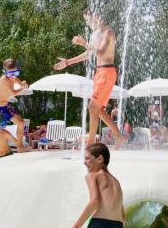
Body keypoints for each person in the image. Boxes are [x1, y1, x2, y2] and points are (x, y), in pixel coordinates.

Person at [53, 12, 124, 147]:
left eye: (88, 20)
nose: (87, 23)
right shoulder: (95, 34)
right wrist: (67, 62)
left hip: (107, 72)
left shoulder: (108, 32)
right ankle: (119, 136)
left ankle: (90, 144)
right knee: (98, 110)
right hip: (99, 73)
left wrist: (84, 42)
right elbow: (88, 53)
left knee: (92, 107)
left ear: (96, 17)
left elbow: (101, 52)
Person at [0, 59, 30, 152]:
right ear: (5, 72)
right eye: (10, 74)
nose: (12, 76)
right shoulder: (4, 80)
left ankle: (20, 147)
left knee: (21, 122)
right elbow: (13, 93)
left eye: (15, 73)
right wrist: (22, 87)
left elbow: (16, 79)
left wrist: (21, 84)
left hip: (5, 106)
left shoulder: (12, 76)